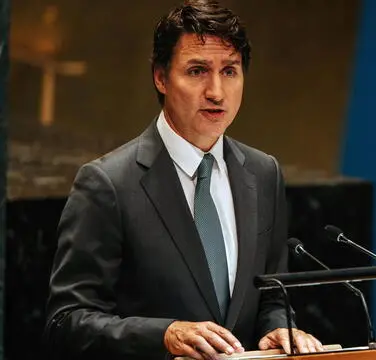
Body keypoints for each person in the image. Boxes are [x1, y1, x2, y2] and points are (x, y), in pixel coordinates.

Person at [43, 1, 322, 359]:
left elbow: (271, 296)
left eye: (230, 72)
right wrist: (164, 334)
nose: (216, 92)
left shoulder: (263, 173)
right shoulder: (107, 184)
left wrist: (278, 328)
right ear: (161, 77)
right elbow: (66, 322)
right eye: (197, 71)